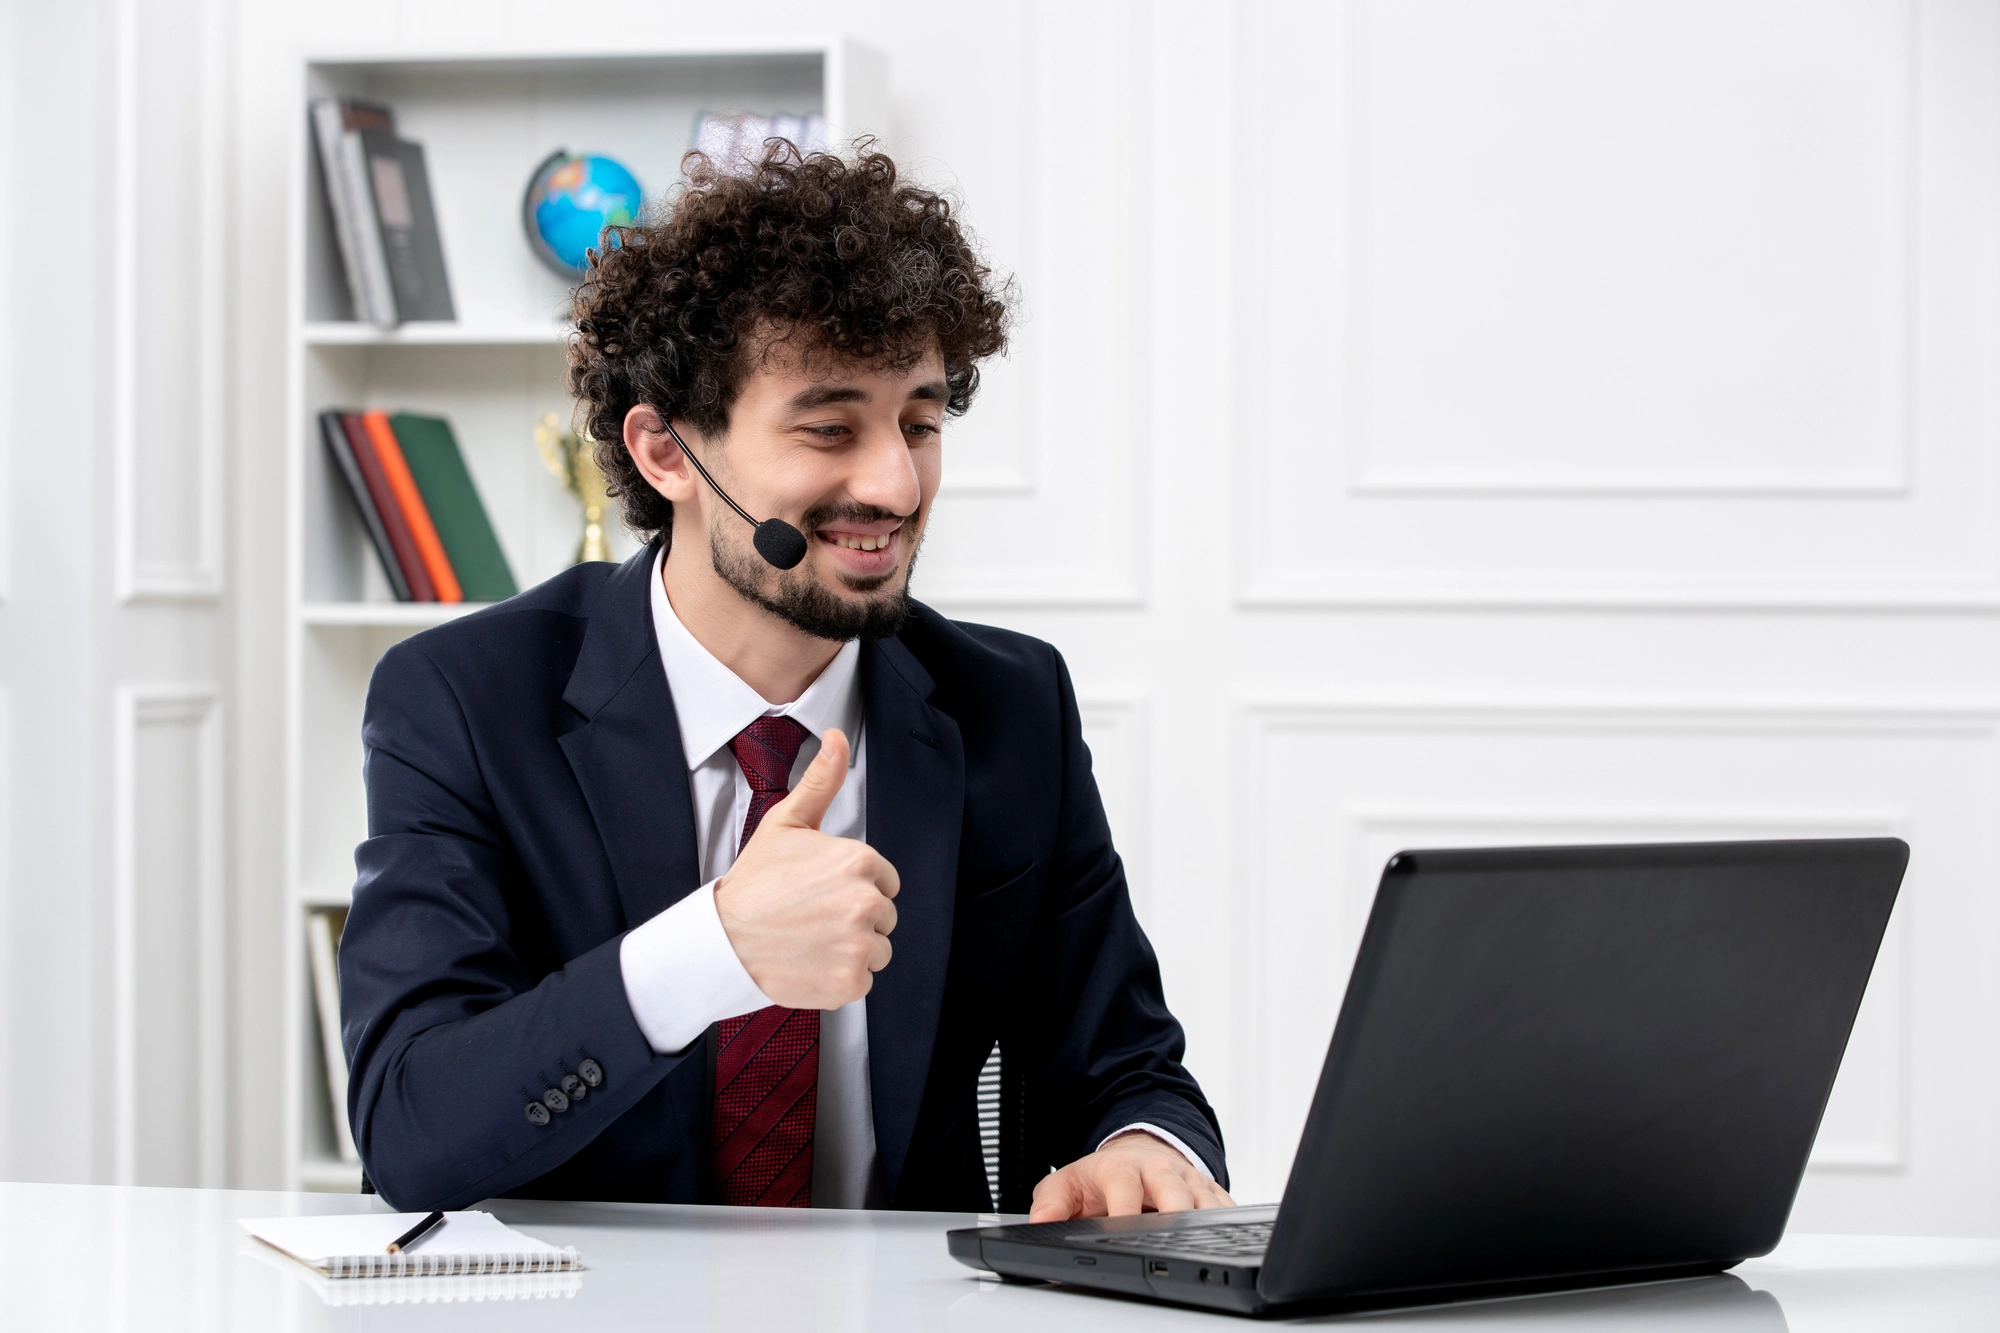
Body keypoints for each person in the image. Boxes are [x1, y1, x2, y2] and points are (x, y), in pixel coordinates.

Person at [340, 143, 1231, 1221]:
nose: (895, 484)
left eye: (918, 421)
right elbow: (410, 1128)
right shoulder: (464, 701)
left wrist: (1142, 1146)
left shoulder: (1009, 704)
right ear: (666, 452)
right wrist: (710, 949)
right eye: (828, 427)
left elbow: (1126, 1065)